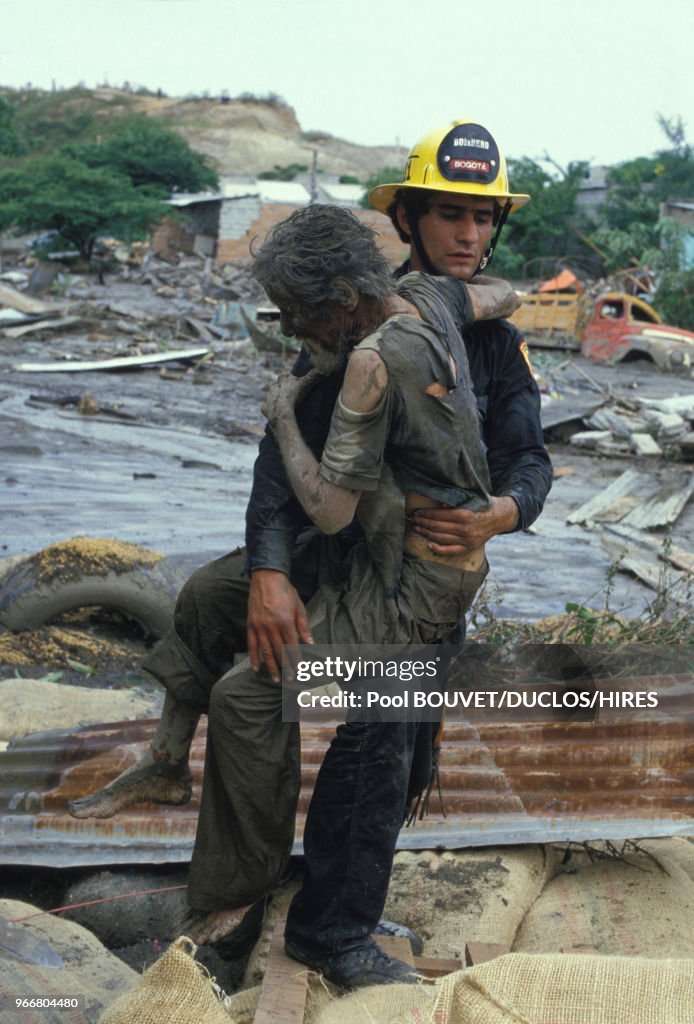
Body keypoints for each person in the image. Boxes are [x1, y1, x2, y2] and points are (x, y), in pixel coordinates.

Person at [68, 118, 552, 988]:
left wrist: (501, 515)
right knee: (211, 599)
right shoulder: (356, 314)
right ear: (403, 219)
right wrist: (265, 572)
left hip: (411, 578)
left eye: (484, 219)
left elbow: (530, 458)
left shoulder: (465, 336)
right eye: (449, 216)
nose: (470, 236)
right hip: (345, 551)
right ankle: (180, 780)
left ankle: (324, 923)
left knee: (372, 734)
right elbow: (279, 476)